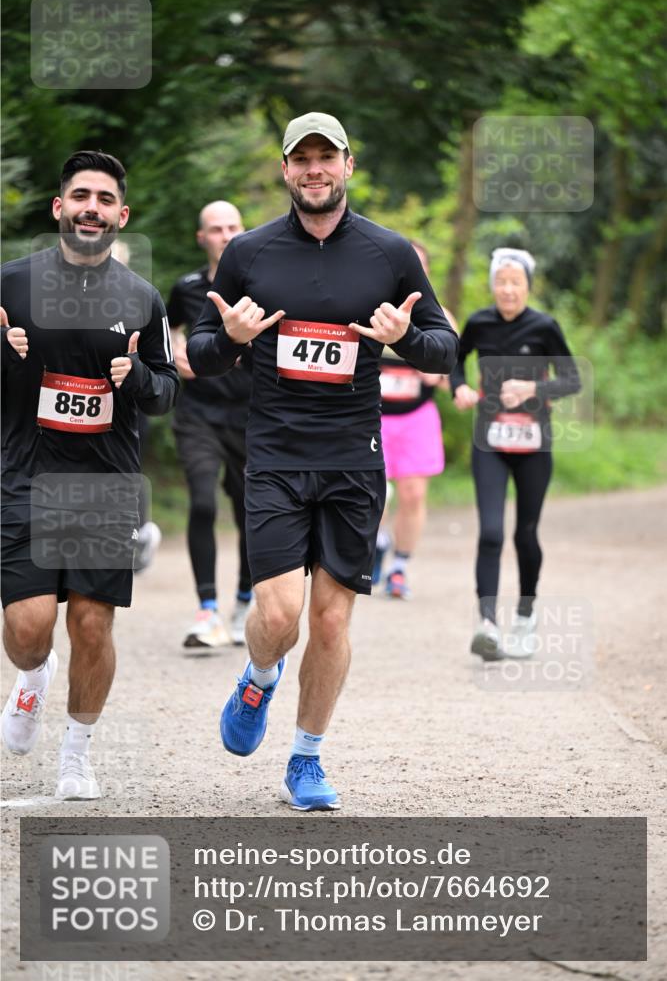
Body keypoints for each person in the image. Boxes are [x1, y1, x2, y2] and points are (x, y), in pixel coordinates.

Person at [187, 112, 458, 811]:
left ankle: (306, 758)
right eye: (301, 158)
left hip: (352, 460)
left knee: (332, 622)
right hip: (275, 454)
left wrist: (407, 339)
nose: (314, 169)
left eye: (326, 157)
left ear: (347, 165)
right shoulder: (248, 253)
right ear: (285, 169)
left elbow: (445, 346)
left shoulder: (389, 253)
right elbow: (202, 353)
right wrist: (231, 339)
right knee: (280, 617)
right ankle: (258, 677)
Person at [1, 150, 178, 799]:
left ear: (121, 216)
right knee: (27, 631)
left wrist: (140, 379)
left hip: (105, 484)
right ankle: (33, 676)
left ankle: (76, 755)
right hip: (24, 478)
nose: (91, 209)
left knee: (92, 624)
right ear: (59, 207)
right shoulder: (11, 284)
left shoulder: (141, 298)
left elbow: (167, 390)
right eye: (81, 196)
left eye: (105, 200)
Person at [450, 247, 580, 661]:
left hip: (533, 444)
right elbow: (456, 360)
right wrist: (459, 387)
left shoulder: (544, 326)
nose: (508, 289)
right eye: (501, 282)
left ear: (527, 286)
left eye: (516, 282)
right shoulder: (479, 322)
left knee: (525, 534)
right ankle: (487, 624)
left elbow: (572, 379)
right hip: (489, 440)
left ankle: (525, 616)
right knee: (490, 532)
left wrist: (533, 389)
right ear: (493, 285)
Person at [167, 201, 252, 650]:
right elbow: (166, 328)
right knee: (202, 502)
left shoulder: (262, 283)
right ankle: (207, 609)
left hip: (251, 415)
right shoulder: (186, 288)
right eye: (216, 229)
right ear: (202, 238)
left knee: (249, 512)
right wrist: (175, 352)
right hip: (198, 413)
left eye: (232, 226)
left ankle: (244, 603)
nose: (225, 235)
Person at [374, 240, 458, 599]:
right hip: (371, 414)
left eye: (420, 265)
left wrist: (437, 373)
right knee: (372, 494)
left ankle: (399, 567)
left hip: (416, 417)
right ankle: (378, 542)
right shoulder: (369, 305)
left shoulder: (440, 315)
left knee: (413, 494)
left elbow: (451, 371)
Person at [110, 239, 162, 574]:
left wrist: (137, 371)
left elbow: (159, 367)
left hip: (129, 405)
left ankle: (139, 534)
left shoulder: (140, 304)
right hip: (82, 403)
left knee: (127, 467)